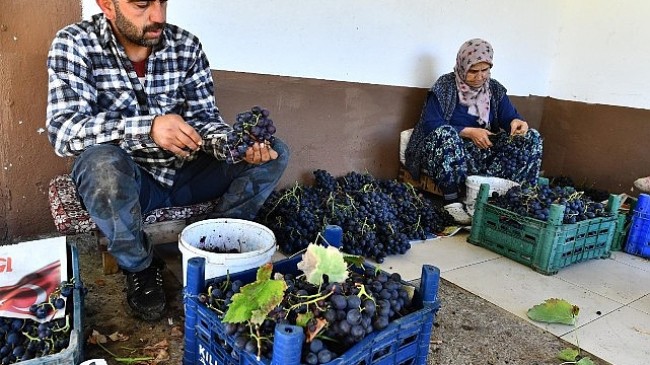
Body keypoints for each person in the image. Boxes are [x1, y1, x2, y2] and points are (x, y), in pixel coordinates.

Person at [46, 0, 290, 321]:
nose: (157, 16)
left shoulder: (186, 45)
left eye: (163, 2)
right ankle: (141, 266)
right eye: (142, 5)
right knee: (101, 166)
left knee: (275, 152)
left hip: (186, 172)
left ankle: (210, 237)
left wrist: (234, 145)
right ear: (107, 5)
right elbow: (64, 130)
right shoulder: (75, 43)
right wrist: (148, 127)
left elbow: (205, 120)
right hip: (130, 181)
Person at [404, 38, 543, 205]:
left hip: (483, 152)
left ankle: (519, 198)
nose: (479, 77)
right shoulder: (445, 85)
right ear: (463, 66)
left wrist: (518, 122)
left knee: (531, 137)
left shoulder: (494, 89)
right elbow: (431, 124)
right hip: (450, 153)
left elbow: (509, 117)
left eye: (485, 70)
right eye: (473, 71)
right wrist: (469, 132)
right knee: (445, 134)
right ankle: (452, 202)